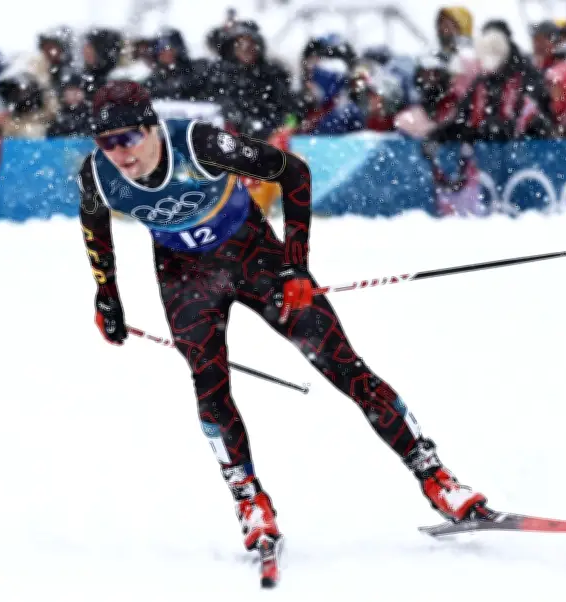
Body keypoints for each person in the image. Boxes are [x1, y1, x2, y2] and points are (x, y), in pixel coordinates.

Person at [77, 81, 487, 588]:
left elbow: (293, 172)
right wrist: (107, 296)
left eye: (127, 138)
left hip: (254, 259)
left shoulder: (198, 144)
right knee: (210, 386)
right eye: (105, 142)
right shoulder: (97, 174)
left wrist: (295, 266)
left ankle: (437, 478)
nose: (119, 152)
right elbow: (94, 225)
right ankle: (251, 502)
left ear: (152, 128)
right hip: (185, 279)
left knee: (342, 365)